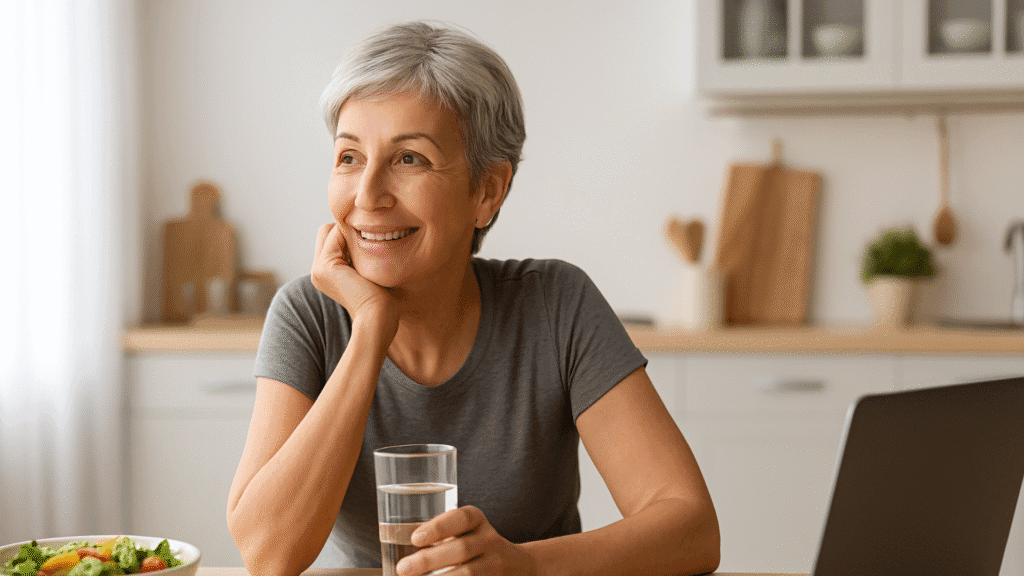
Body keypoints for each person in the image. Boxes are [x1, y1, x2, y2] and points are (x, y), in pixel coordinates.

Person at [226, 20, 719, 576]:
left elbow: (691, 529)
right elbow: (268, 556)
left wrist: (522, 567)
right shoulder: (308, 316)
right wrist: (369, 327)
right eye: (349, 157)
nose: (367, 196)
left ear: (487, 191)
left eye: (409, 158)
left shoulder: (556, 305)